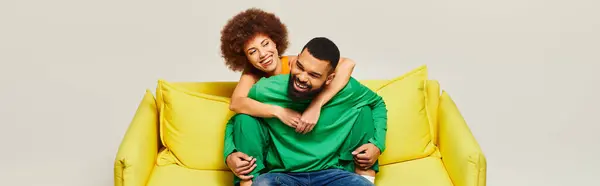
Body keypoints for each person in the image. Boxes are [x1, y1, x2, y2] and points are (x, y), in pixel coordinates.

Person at [219, 7, 379, 183]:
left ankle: (363, 174)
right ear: (245, 58)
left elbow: (347, 63)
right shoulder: (252, 77)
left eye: (265, 44)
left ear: (275, 42)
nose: (263, 54)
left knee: (362, 110)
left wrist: (316, 104)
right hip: (280, 160)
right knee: (244, 119)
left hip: (317, 148)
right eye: (253, 51)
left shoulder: (297, 64)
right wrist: (278, 112)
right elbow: (236, 105)